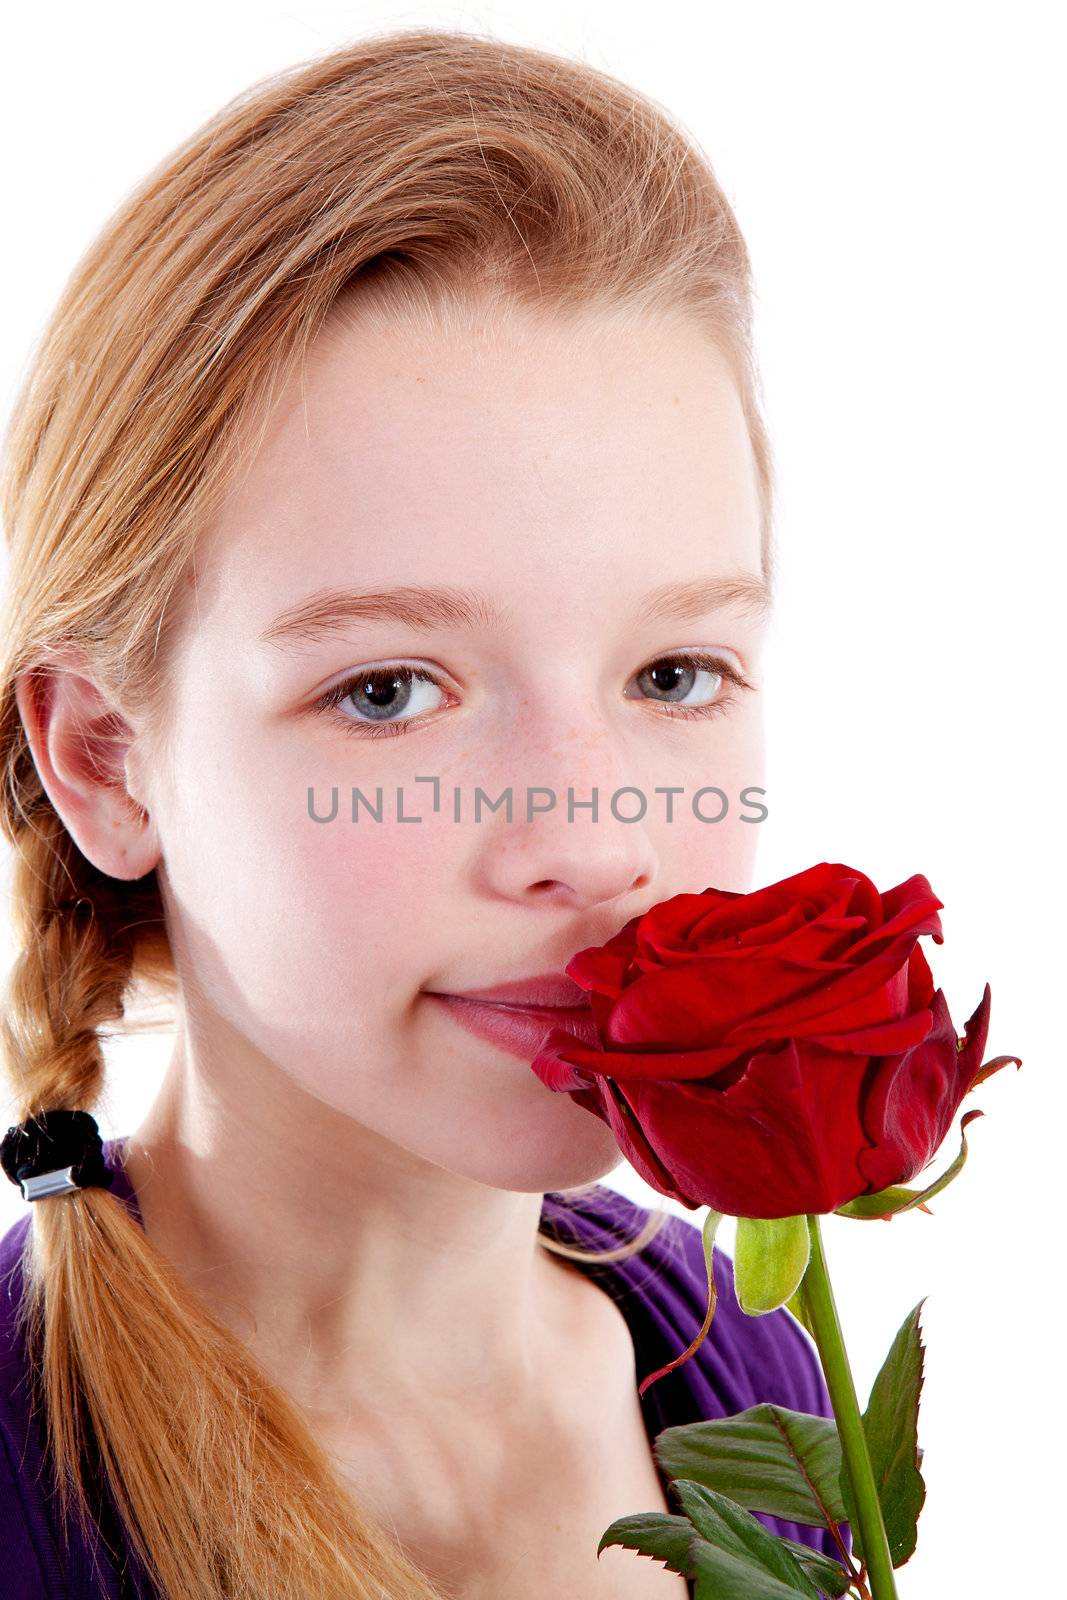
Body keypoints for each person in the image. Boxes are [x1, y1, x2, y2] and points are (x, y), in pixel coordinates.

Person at [0, 26, 850, 1600]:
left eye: (673, 672)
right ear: (109, 759)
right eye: (390, 690)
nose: (594, 845)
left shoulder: (756, 1378)